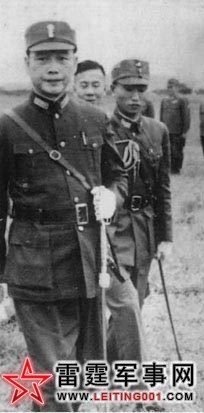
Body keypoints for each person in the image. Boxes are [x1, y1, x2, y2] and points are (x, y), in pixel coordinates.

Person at [0, 21, 127, 411]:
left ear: (75, 62)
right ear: (27, 62)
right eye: (42, 58)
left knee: (81, 371)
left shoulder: (95, 119)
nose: (53, 68)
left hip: (87, 259)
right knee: (53, 376)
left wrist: (112, 196)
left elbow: (118, 175)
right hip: (33, 265)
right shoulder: (5, 128)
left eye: (62, 57)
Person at [74, 59, 147, 365]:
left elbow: (119, 178)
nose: (90, 92)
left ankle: (136, 381)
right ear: (73, 86)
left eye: (96, 85)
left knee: (127, 302)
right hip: (69, 236)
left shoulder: (106, 125)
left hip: (107, 235)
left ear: (105, 88)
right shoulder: (57, 127)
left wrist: (111, 199)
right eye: (84, 85)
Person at [109, 59, 172, 309]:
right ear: (113, 89)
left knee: (138, 297)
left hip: (144, 227)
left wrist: (166, 237)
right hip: (114, 226)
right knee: (122, 300)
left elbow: (162, 188)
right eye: (128, 89)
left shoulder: (158, 130)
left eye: (141, 89)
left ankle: (125, 338)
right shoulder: (102, 128)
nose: (135, 97)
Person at [159, 78, 191, 173]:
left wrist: (185, 131)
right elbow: (161, 116)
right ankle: (168, 168)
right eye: (168, 87)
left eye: (171, 87)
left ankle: (176, 169)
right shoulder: (164, 100)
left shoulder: (182, 100)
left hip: (177, 131)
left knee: (176, 151)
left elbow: (186, 116)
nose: (169, 89)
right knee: (166, 150)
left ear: (177, 88)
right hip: (166, 130)